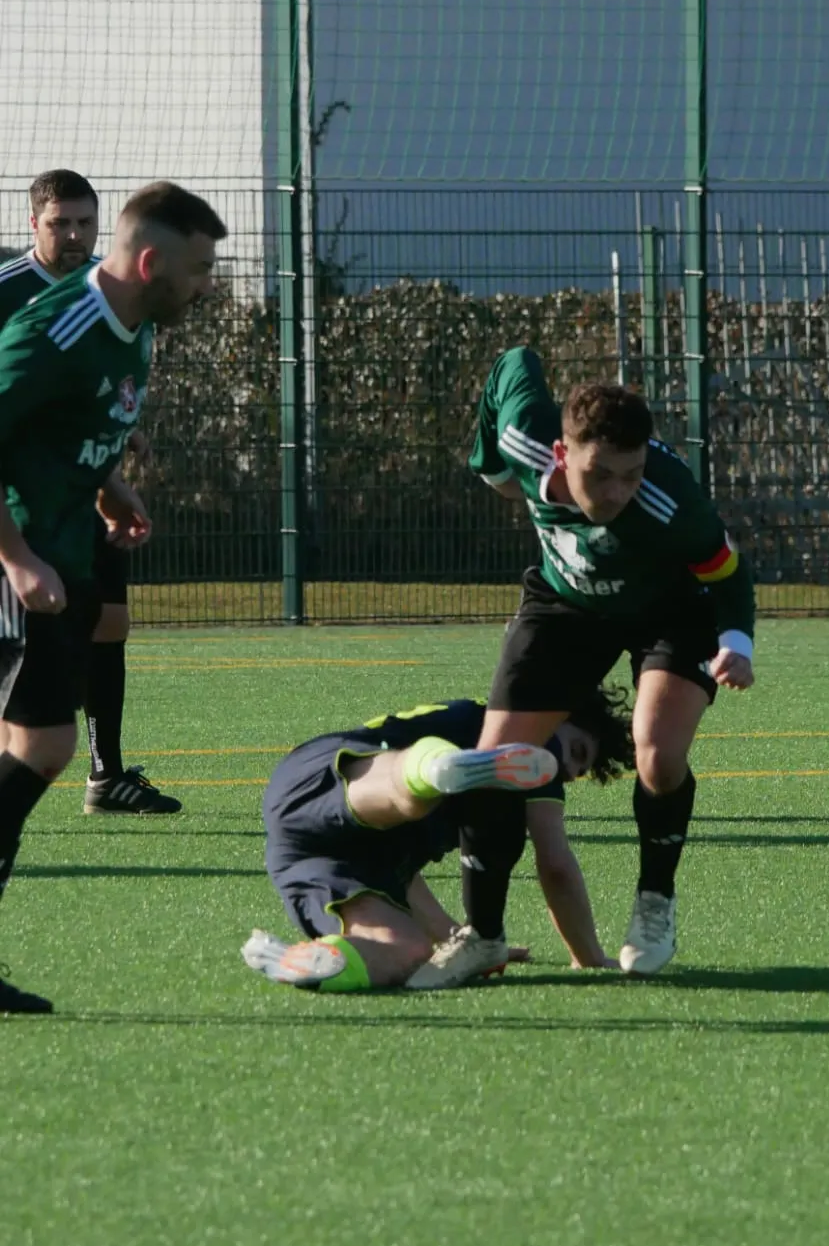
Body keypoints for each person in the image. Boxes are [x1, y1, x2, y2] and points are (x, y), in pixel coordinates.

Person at [405, 347, 756, 990]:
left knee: (657, 757)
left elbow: (727, 574)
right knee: (493, 765)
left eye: (631, 474)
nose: (618, 492)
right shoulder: (524, 441)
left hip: (671, 611)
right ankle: (482, 938)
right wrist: (492, 468)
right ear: (561, 455)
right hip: (567, 604)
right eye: (602, 475)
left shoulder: (670, 499)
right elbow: (513, 363)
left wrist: (737, 642)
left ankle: (654, 902)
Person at [0, 181, 227, 1012]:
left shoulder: (137, 325)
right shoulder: (56, 329)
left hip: (65, 554)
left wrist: (108, 486)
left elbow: (68, 425)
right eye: (199, 269)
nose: (206, 286)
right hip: (24, 560)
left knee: (31, 745)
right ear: (151, 262)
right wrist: (17, 557)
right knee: (42, 747)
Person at [242, 687, 634, 992]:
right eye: (576, 751)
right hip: (341, 773)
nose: (565, 769)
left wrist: (457, 939)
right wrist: (589, 957)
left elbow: (404, 875)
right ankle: (433, 767)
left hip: (305, 847)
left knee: (406, 952)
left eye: (577, 771)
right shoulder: (530, 746)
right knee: (406, 794)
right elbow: (555, 865)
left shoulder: (491, 734)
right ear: (558, 716)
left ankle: (302, 962)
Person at [0, 169, 180, 816]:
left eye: (85, 223)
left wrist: (118, 443)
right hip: (20, 507)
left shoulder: (110, 294)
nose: (74, 235)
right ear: (33, 224)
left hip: (83, 491)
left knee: (109, 623)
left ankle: (106, 774)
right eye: (60, 224)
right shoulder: (11, 294)